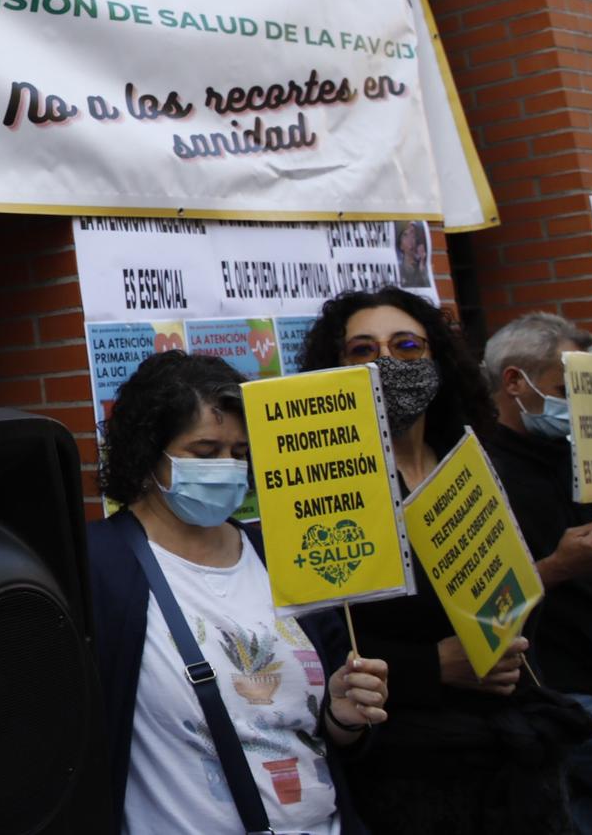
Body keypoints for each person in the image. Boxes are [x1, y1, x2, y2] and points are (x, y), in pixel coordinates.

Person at [299, 288, 592, 832]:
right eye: (362, 349)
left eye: (407, 345)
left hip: (516, 761)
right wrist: (434, 667)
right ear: (332, 371)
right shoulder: (323, 489)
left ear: (437, 359)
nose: (386, 360)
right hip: (411, 771)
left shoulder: (471, 457)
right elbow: (318, 640)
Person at [88, 351, 388, 833]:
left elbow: (333, 737)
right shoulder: (97, 566)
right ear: (147, 455)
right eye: (205, 453)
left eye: (240, 453)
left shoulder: (282, 552)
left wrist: (345, 719)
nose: (227, 468)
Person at [484, 312, 592, 833]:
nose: (576, 406)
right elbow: (484, 604)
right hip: (566, 689)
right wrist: (555, 568)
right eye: (564, 389)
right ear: (514, 383)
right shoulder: (485, 472)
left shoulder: (574, 453)